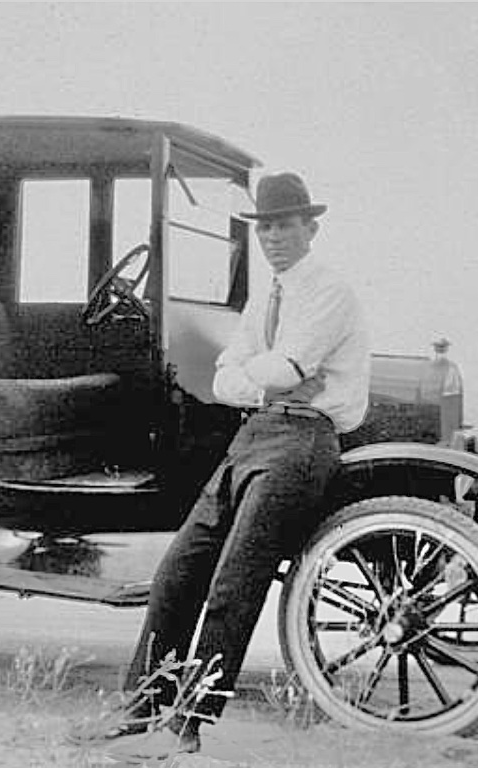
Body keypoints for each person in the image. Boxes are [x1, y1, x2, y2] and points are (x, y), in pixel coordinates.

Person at [95, 172, 370, 756]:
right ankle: (142, 708)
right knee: (178, 571)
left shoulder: (330, 292)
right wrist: (263, 382)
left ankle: (186, 726)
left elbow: (290, 367)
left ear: (311, 229)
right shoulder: (268, 296)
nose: (272, 237)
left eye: (284, 225)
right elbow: (225, 378)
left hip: (303, 440)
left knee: (234, 584)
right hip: (256, 433)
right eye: (264, 227)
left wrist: (264, 375)